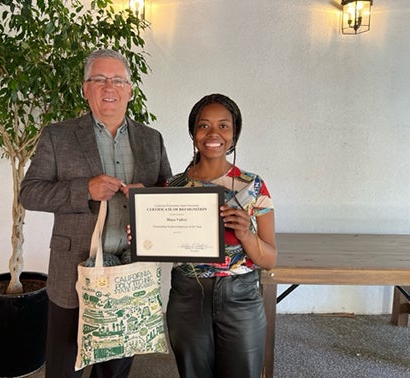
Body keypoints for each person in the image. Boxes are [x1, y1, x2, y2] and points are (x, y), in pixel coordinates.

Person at [19, 49, 172, 378]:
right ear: (85, 89)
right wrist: (84, 190)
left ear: (130, 89)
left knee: (115, 367)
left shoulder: (151, 140)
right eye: (99, 79)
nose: (109, 87)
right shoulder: (58, 135)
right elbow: (29, 193)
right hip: (73, 271)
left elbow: (168, 195)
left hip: (132, 271)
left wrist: (151, 198)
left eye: (118, 80)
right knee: (64, 366)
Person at [165, 93, 277, 378]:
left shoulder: (253, 186)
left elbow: (270, 259)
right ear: (193, 133)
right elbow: (162, 243)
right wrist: (141, 234)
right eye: (204, 126)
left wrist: (246, 235)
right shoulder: (172, 187)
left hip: (240, 298)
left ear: (234, 133)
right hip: (188, 296)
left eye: (223, 126)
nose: (213, 134)